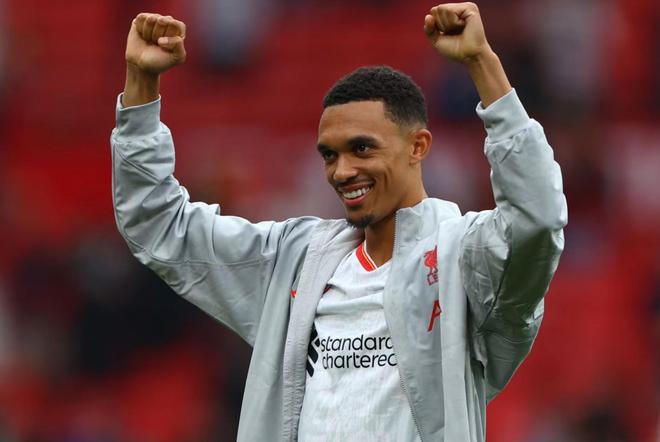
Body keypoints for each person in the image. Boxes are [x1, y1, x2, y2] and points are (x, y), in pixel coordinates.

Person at [111, 3, 567, 441]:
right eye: (329, 155)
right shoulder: (294, 261)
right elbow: (159, 224)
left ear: (418, 146)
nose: (342, 171)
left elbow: (537, 219)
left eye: (362, 149)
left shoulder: (465, 258)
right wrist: (141, 85)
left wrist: (482, 63)